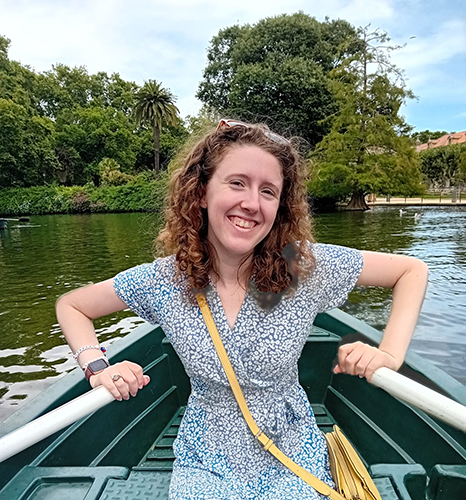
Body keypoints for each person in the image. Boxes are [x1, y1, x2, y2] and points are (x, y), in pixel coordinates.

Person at [56, 120, 429, 499]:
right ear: (201, 192)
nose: (251, 203)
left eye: (268, 191)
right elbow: (72, 305)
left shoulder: (299, 264)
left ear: (280, 207)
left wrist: (388, 354)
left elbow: (411, 271)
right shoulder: (165, 279)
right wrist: (98, 367)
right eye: (237, 183)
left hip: (289, 445)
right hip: (206, 453)